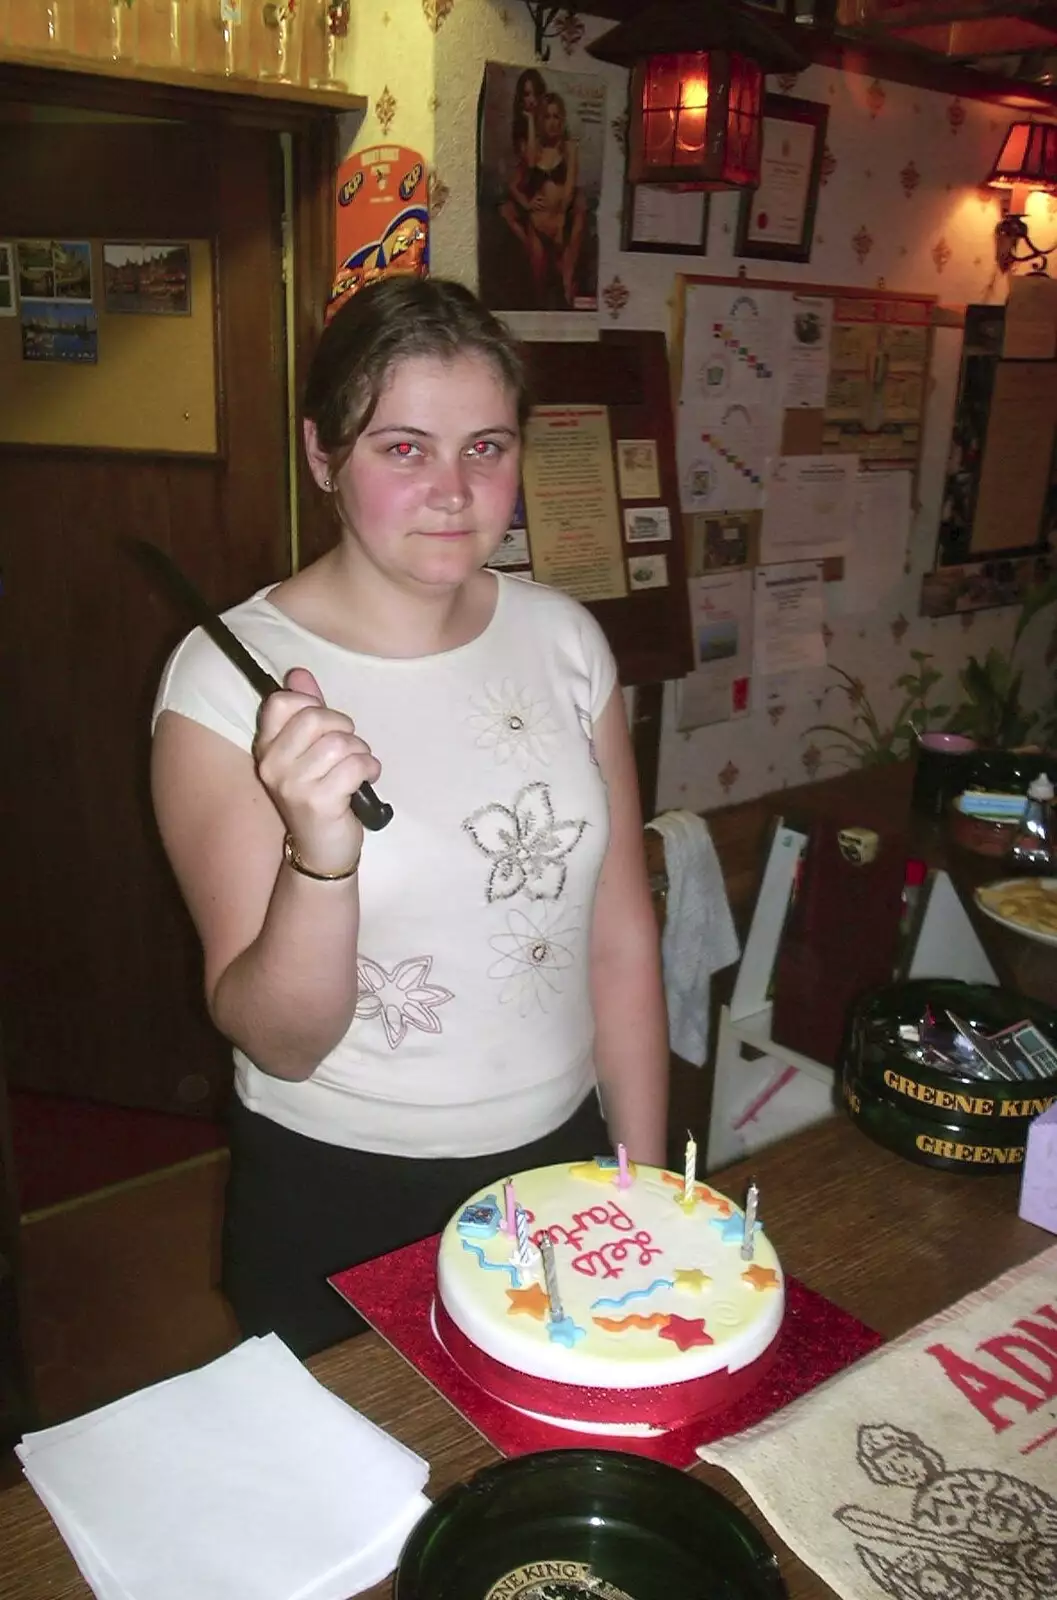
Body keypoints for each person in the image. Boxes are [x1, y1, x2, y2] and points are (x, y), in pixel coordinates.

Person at [151, 276, 669, 1357]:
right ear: (321, 456)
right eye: (402, 448)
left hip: (561, 1155)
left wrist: (642, 1180)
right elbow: (279, 1040)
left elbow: (618, 939)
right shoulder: (222, 684)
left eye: (486, 447)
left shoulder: (565, 641)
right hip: (342, 1192)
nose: (452, 489)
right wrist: (320, 857)